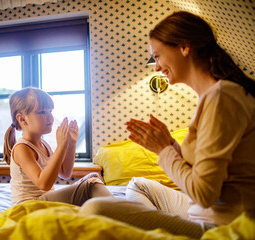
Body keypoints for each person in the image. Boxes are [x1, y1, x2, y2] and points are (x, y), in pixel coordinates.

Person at [79, 11, 255, 239]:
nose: (157, 67)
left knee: (94, 208)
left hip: (221, 225)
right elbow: (202, 170)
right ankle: (157, 226)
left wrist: (164, 150)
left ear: (184, 47)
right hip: (204, 211)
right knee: (139, 184)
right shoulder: (212, 96)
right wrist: (170, 144)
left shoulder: (221, 97)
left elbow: (204, 194)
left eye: (158, 56)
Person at [3, 87, 112, 206]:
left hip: (43, 201)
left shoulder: (43, 144)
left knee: (93, 177)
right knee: (91, 186)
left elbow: (65, 173)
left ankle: (112, 210)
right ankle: (120, 212)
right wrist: (61, 146)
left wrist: (71, 144)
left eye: (50, 111)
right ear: (22, 119)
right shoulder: (22, 148)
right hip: (29, 206)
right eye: (43, 112)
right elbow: (44, 184)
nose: (50, 117)